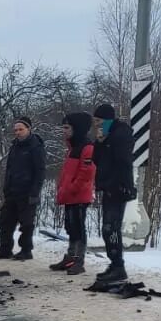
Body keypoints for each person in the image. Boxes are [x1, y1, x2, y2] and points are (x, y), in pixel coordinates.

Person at [91, 100, 136, 284]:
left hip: (118, 187)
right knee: (107, 228)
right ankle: (115, 264)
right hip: (108, 186)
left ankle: (118, 266)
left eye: (99, 122)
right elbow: (96, 159)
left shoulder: (120, 135)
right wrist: (100, 142)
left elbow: (124, 162)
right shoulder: (106, 137)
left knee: (111, 228)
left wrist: (127, 185)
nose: (97, 126)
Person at [0, 117, 47, 260]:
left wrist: (35, 191)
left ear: (29, 129)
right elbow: (9, 168)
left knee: (26, 223)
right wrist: (6, 187)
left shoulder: (35, 147)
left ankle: (26, 250)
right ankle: (5, 249)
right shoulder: (14, 146)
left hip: (27, 192)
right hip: (12, 191)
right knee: (5, 221)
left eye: (21, 129)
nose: (18, 132)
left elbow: (40, 171)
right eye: (15, 130)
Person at [51, 111, 95, 274]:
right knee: (70, 227)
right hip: (70, 195)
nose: (64, 131)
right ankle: (70, 257)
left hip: (79, 195)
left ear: (77, 128)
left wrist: (72, 188)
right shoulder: (72, 148)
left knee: (79, 227)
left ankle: (79, 260)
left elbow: (86, 173)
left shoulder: (87, 147)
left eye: (67, 127)